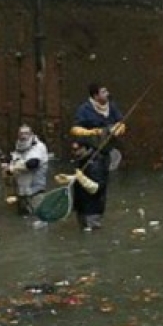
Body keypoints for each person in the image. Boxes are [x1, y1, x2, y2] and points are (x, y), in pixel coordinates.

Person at [69, 83, 126, 230]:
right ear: (95, 95)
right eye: (103, 91)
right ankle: (86, 218)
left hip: (105, 154)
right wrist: (92, 132)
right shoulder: (85, 109)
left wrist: (118, 129)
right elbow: (75, 129)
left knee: (101, 186)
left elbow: (120, 122)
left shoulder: (111, 107)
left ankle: (95, 218)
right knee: (88, 186)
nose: (107, 93)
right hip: (89, 153)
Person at [2, 124, 49, 216]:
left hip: (35, 190)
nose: (23, 136)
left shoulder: (38, 147)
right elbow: (14, 157)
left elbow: (33, 163)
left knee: (37, 217)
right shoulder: (19, 146)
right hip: (21, 190)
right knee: (22, 216)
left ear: (31, 134)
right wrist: (6, 163)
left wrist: (13, 168)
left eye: (26, 133)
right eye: (21, 133)